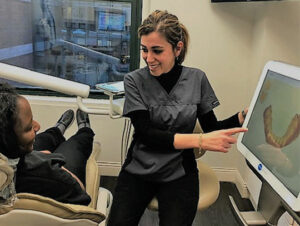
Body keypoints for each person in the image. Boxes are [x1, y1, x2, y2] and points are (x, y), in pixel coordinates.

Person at [107, 10, 248, 226]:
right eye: (145, 50)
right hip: (139, 168)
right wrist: (199, 141)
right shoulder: (134, 80)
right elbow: (147, 135)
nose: (148, 58)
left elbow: (212, 127)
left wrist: (241, 116)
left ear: (177, 48)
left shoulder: (196, 79)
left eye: (157, 50)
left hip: (179, 171)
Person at [0, 83, 94, 205]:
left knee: (45, 138)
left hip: (24, 159)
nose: (37, 126)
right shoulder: (46, 175)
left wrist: (35, 155)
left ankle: (57, 131)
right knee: (76, 144)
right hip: (39, 168)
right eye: (28, 128)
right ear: (9, 141)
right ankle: (85, 130)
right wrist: (49, 161)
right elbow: (81, 193)